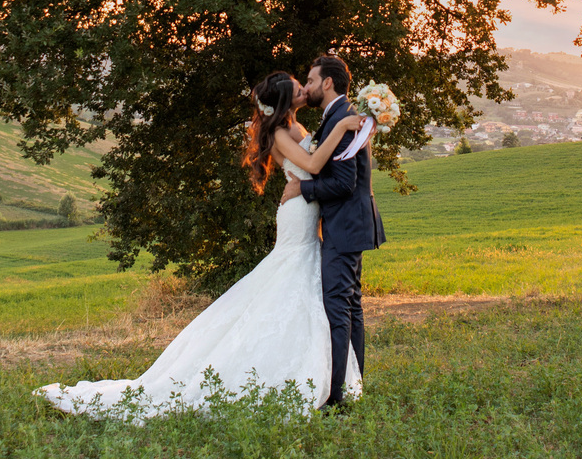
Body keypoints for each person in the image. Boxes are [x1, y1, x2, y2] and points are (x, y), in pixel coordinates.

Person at [35, 70, 365, 419]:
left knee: (303, 286)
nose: (305, 91)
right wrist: (344, 128)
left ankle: (320, 375)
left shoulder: (296, 128)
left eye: (305, 86)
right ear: (285, 101)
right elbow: (313, 163)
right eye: (299, 89)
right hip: (297, 213)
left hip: (308, 208)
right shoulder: (281, 134)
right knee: (289, 278)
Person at [281, 53, 387, 408]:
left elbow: (343, 183)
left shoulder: (342, 118)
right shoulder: (339, 118)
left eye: (310, 81)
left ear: (327, 83)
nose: (307, 87)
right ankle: (353, 387)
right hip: (351, 222)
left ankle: (337, 398)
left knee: (339, 310)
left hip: (345, 223)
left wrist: (304, 189)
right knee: (351, 308)